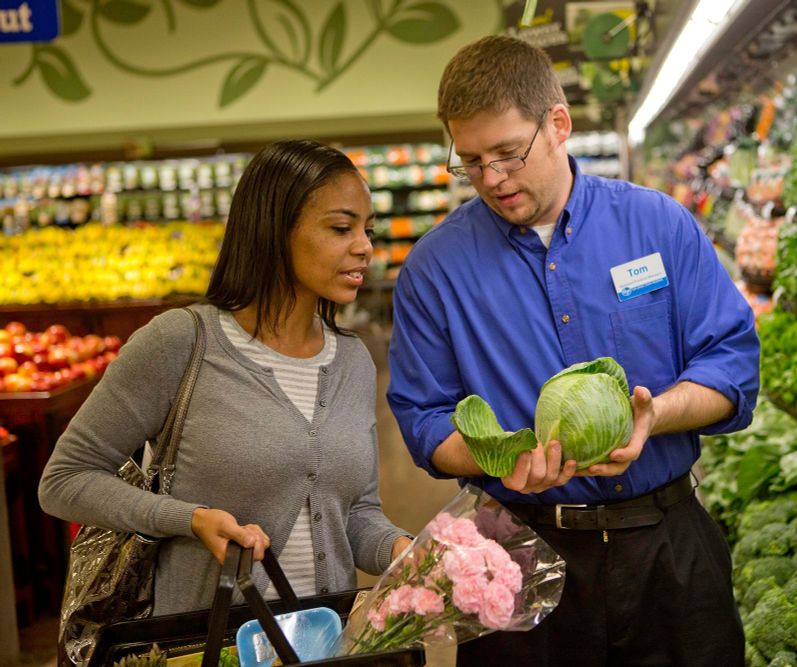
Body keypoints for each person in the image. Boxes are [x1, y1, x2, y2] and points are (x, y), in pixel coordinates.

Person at [387, 36, 759, 666]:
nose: (492, 180)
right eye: (472, 162)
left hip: (666, 547)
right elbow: (424, 417)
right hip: (519, 561)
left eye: (508, 153)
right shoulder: (433, 269)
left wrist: (656, 415)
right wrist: (498, 459)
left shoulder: (658, 225)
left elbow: (732, 364)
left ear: (557, 124)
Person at [40, 139, 411, 616]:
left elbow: (356, 515)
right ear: (275, 230)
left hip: (325, 641)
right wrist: (187, 519)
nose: (365, 247)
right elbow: (65, 479)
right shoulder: (182, 342)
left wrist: (405, 550)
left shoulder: (354, 362)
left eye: (368, 229)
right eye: (341, 228)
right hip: (207, 645)